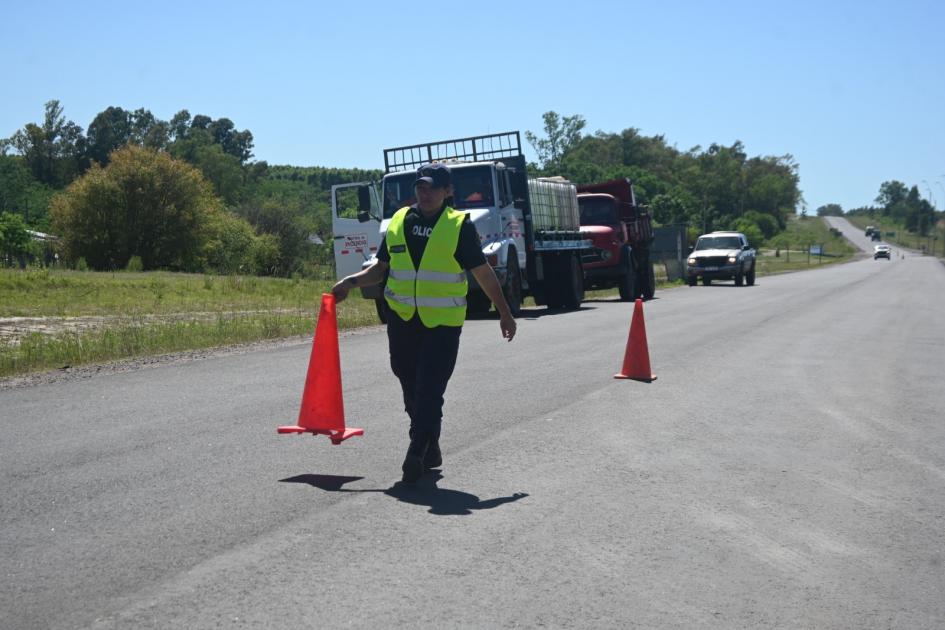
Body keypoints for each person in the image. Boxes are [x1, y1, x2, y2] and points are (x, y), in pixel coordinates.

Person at [332, 163, 516, 483]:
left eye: (431, 187)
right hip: (402, 319)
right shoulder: (400, 221)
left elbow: (483, 273)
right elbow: (380, 269)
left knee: (429, 386)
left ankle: (416, 449)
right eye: (420, 187)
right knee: (408, 381)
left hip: (442, 322)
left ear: (447, 192)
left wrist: (504, 311)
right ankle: (430, 444)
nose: (424, 192)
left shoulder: (458, 226)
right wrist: (350, 282)